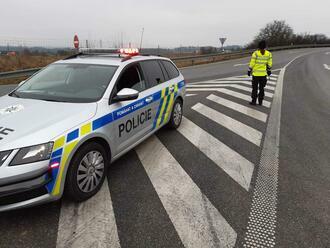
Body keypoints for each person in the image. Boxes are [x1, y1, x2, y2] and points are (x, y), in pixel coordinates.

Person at [247, 40, 272, 106]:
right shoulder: (268, 54)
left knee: (254, 88)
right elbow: (269, 64)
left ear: (258, 46)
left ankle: (254, 101)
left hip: (255, 75)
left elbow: (252, 63)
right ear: (265, 46)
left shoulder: (255, 53)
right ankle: (260, 102)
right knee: (262, 89)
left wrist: (249, 70)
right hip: (263, 75)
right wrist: (269, 70)